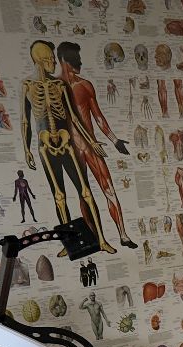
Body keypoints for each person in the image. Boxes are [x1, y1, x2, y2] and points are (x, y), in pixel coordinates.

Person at [21, 39, 114, 253]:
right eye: (49, 59)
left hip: (66, 142)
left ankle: (101, 240)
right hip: (45, 146)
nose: (54, 62)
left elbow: (74, 117)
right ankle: (70, 246)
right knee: (59, 196)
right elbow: (25, 121)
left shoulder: (60, 86)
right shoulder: (27, 87)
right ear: (39, 60)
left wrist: (91, 141)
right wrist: (27, 150)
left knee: (85, 191)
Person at [56, 41, 137, 250]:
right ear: (64, 59)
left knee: (108, 189)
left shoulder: (84, 85)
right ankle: (94, 238)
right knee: (84, 195)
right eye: (75, 58)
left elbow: (98, 116)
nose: (79, 62)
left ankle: (123, 235)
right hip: (71, 150)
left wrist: (115, 140)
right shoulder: (54, 88)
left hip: (92, 146)